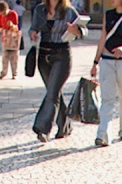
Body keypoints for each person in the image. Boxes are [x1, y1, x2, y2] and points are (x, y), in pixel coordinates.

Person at [30, 0, 87, 142]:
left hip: (62, 55)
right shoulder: (40, 10)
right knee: (54, 92)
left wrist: (77, 31)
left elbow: (84, 31)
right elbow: (33, 27)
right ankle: (65, 126)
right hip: (43, 55)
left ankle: (43, 128)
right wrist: (33, 33)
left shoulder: (69, 11)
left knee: (52, 94)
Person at [90, 0, 122, 147]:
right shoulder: (108, 15)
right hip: (107, 60)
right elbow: (103, 38)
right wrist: (95, 62)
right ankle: (103, 135)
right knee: (107, 98)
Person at [0, 1, 21, 79]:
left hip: (13, 38)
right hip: (5, 39)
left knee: (14, 56)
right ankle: (4, 72)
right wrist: (2, 29)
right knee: (5, 56)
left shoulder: (13, 14)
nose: (3, 14)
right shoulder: (0, 16)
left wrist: (12, 25)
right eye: (2, 13)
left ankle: (15, 73)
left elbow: (17, 27)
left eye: (4, 12)